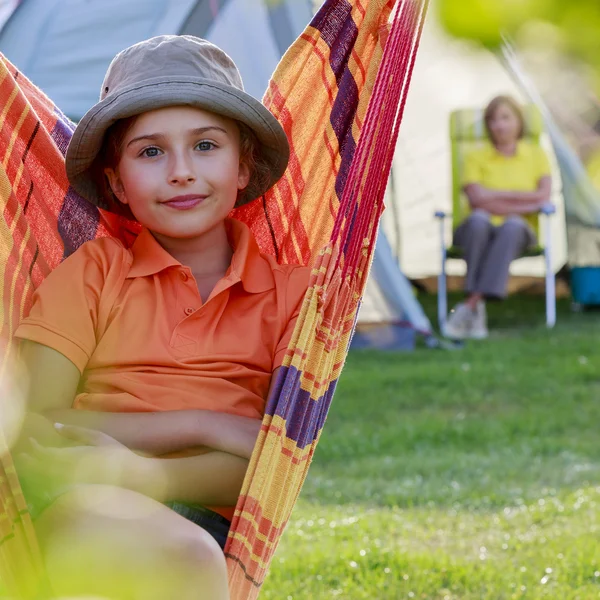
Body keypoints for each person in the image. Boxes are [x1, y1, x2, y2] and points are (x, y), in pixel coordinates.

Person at [13, 35, 309, 600]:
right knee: (176, 560)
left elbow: (287, 456)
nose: (180, 172)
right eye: (151, 152)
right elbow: (33, 429)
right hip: (81, 504)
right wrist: (209, 426)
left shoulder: (293, 295)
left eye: (205, 145)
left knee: (186, 556)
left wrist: (146, 471)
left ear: (243, 166)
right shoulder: (93, 274)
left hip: (211, 525)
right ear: (117, 183)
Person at [443, 95, 552, 340]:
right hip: (475, 230)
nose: (499, 125)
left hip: (519, 232)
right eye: (493, 120)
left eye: (505, 118)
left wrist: (493, 197)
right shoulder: (474, 156)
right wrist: (524, 199)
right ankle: (475, 307)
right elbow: (475, 200)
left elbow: (544, 197)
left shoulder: (536, 154)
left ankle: (471, 305)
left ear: (519, 122)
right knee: (479, 220)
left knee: (512, 225)